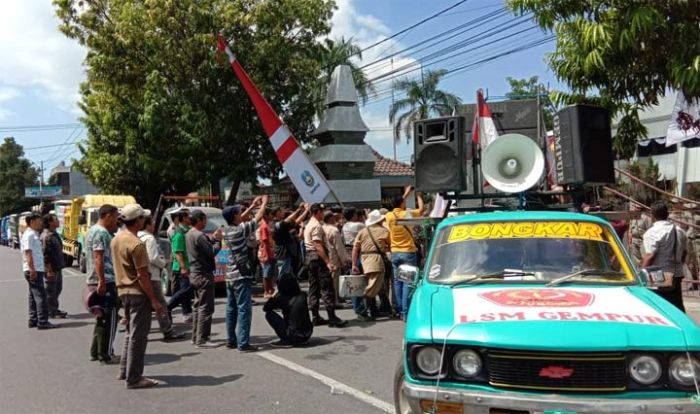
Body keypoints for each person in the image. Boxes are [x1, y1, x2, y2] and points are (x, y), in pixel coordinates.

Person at [112, 204, 165, 389]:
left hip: (123, 291)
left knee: (130, 334)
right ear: (139, 220)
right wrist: (154, 300)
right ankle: (134, 378)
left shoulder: (117, 239)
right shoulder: (137, 244)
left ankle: (124, 370)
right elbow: (143, 276)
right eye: (143, 218)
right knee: (138, 336)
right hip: (137, 293)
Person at [222, 195, 268, 352]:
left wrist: (252, 205)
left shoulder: (225, 230)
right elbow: (258, 218)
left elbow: (240, 218)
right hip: (241, 276)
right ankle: (243, 343)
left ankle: (230, 340)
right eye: (238, 212)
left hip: (230, 275)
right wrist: (264, 203)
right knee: (244, 309)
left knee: (231, 309)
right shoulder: (240, 230)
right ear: (234, 216)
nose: (241, 214)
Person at [138, 215, 186, 341]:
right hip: (152, 276)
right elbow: (153, 257)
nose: (154, 226)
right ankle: (167, 330)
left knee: (143, 306)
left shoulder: (136, 236)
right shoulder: (149, 239)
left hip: (140, 276)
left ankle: (139, 331)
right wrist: (163, 264)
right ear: (147, 225)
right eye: (152, 224)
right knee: (161, 304)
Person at [85, 204, 119, 363]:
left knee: (101, 318)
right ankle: (105, 354)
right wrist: (102, 281)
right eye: (116, 216)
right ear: (108, 215)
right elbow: (99, 257)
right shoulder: (101, 233)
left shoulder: (93, 230)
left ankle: (95, 351)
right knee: (110, 318)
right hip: (104, 280)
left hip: (98, 279)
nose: (117, 220)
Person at [304, 203, 347, 327]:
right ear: (317, 212)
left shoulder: (309, 224)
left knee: (314, 287)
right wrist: (328, 262)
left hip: (310, 257)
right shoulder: (316, 226)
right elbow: (318, 245)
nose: (323, 214)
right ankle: (332, 317)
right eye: (322, 212)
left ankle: (316, 316)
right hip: (318, 258)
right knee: (327, 287)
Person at [385, 186, 425, 320]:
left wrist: (406, 193)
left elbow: (397, 204)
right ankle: (405, 313)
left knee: (397, 282)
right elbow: (421, 210)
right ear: (402, 204)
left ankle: (399, 309)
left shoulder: (388, 216)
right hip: (408, 251)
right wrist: (418, 195)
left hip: (395, 252)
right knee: (407, 282)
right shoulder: (406, 214)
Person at [187, 209, 223, 348]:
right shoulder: (199, 235)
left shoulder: (190, 234)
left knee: (197, 307)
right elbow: (212, 251)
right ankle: (202, 339)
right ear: (200, 220)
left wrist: (213, 239)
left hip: (195, 273)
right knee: (205, 308)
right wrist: (218, 240)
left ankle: (196, 336)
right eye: (205, 219)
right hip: (203, 274)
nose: (206, 222)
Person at [643, 201, 688, 312]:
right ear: (667, 215)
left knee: (659, 308)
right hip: (677, 274)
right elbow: (684, 253)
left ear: (652, 215)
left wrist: (641, 274)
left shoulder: (652, 232)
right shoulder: (679, 230)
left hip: (659, 276)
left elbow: (649, 256)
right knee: (677, 306)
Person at [351, 210, 390, 321]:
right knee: (373, 287)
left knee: (372, 285)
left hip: (363, 259)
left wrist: (354, 263)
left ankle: (373, 310)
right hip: (375, 260)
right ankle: (362, 311)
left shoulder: (363, 231)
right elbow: (391, 245)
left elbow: (355, 248)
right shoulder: (384, 231)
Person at [23, 213, 57, 330]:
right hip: (34, 269)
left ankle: (33, 319)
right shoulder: (29, 235)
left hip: (36, 269)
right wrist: (32, 270)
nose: (41, 222)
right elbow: (28, 254)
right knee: (40, 295)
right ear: (32, 221)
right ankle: (42, 321)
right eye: (39, 220)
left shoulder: (33, 234)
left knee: (33, 295)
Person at [263, 272, 313, 347]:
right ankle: (296, 337)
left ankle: (286, 339)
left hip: (293, 336)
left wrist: (275, 296)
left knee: (269, 314)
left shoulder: (282, 299)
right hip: (307, 334)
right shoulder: (303, 295)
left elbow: (266, 308)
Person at [167, 208, 193, 323]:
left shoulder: (188, 230)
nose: (190, 218)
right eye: (188, 216)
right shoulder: (179, 232)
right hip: (181, 267)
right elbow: (177, 252)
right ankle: (168, 307)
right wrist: (183, 267)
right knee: (185, 289)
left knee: (186, 291)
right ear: (183, 218)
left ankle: (187, 313)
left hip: (188, 265)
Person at [41, 213, 67, 319]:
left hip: (57, 267)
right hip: (51, 268)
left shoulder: (54, 234)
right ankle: (50, 311)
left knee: (57, 289)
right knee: (51, 290)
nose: (58, 221)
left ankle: (54, 309)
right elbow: (45, 255)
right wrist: (49, 270)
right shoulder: (47, 236)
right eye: (55, 219)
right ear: (50, 222)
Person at [272, 204, 309, 278]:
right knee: (283, 276)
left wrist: (303, 210)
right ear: (277, 213)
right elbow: (291, 220)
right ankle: (280, 289)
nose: (284, 213)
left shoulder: (282, 224)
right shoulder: (277, 224)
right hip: (283, 254)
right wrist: (301, 210)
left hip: (288, 254)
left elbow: (295, 222)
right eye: (282, 211)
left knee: (288, 275)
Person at [323, 211, 347, 307]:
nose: (335, 219)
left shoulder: (321, 228)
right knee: (334, 282)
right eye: (333, 217)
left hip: (324, 258)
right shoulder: (334, 230)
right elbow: (339, 247)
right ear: (330, 218)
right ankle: (335, 301)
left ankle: (329, 300)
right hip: (334, 258)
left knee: (327, 281)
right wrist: (343, 260)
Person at [257, 207, 276, 298]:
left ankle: (270, 289)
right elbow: (265, 241)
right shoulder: (264, 226)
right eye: (271, 214)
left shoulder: (266, 225)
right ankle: (266, 291)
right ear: (266, 215)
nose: (272, 216)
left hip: (269, 251)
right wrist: (267, 254)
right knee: (266, 273)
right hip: (266, 252)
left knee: (270, 273)